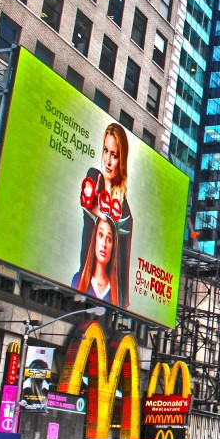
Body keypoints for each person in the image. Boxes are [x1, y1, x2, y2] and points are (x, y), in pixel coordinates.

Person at [79, 123, 132, 307]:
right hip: (84, 284)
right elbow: (85, 198)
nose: (108, 161)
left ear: (122, 160)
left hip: (110, 293)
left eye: (114, 155)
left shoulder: (125, 211)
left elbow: (123, 264)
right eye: (105, 151)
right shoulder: (95, 178)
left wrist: (123, 304)